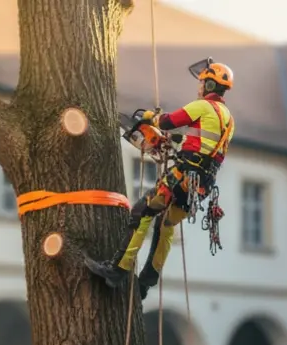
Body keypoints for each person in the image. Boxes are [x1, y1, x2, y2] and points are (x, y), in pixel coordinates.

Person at [86, 58, 236, 298]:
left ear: (208, 86)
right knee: (165, 226)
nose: (199, 87)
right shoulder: (228, 119)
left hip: (181, 177)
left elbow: (168, 121)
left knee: (141, 211)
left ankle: (117, 269)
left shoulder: (202, 107)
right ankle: (146, 283)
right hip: (200, 187)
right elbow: (202, 146)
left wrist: (149, 117)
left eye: (202, 83)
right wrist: (172, 142)